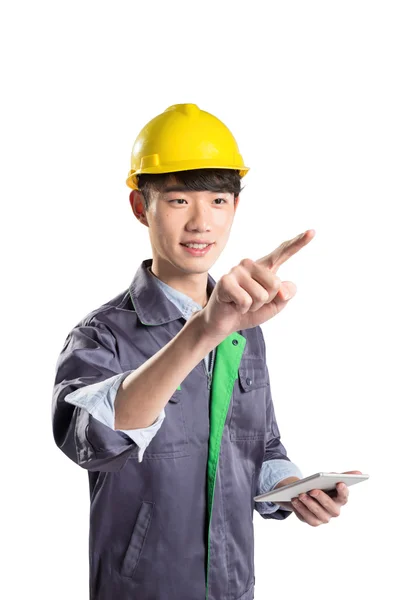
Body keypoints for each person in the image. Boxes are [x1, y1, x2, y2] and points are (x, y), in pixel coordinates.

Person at [52, 103, 359, 600]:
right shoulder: (100, 336)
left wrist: (295, 488)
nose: (201, 221)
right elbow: (95, 442)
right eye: (178, 201)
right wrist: (203, 331)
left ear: (235, 207)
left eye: (218, 199)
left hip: (232, 585)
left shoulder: (245, 326)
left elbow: (259, 450)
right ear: (140, 207)